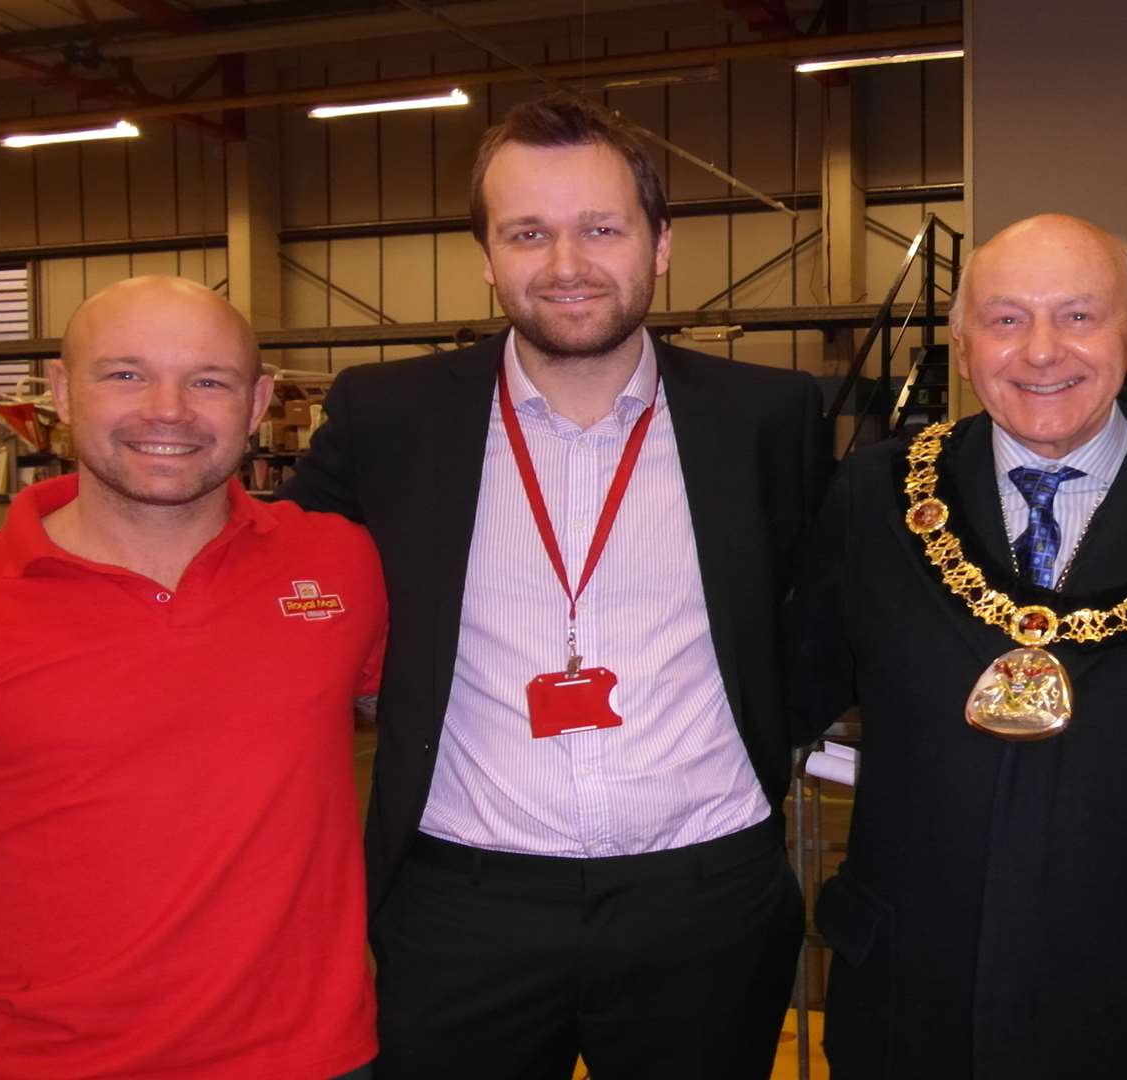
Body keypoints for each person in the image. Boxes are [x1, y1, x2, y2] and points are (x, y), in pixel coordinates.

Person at [278, 92, 830, 1080]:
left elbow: (821, 607)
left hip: (703, 902)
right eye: (528, 232)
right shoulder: (387, 419)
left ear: (661, 244)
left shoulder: (768, 417)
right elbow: (265, 570)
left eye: (602, 229)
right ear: (487, 256)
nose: (566, 265)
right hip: (459, 910)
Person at [787, 212, 1127, 1078]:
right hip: (912, 1002)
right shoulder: (873, 494)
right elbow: (788, 692)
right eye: (1004, 319)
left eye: (1077, 315)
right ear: (960, 345)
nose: (1039, 351)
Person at [0, 275, 387, 1079]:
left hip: (315, 1061)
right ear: (64, 392)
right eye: (126, 374)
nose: (168, 409)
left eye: (209, 380)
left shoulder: (339, 565)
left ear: (258, 403)